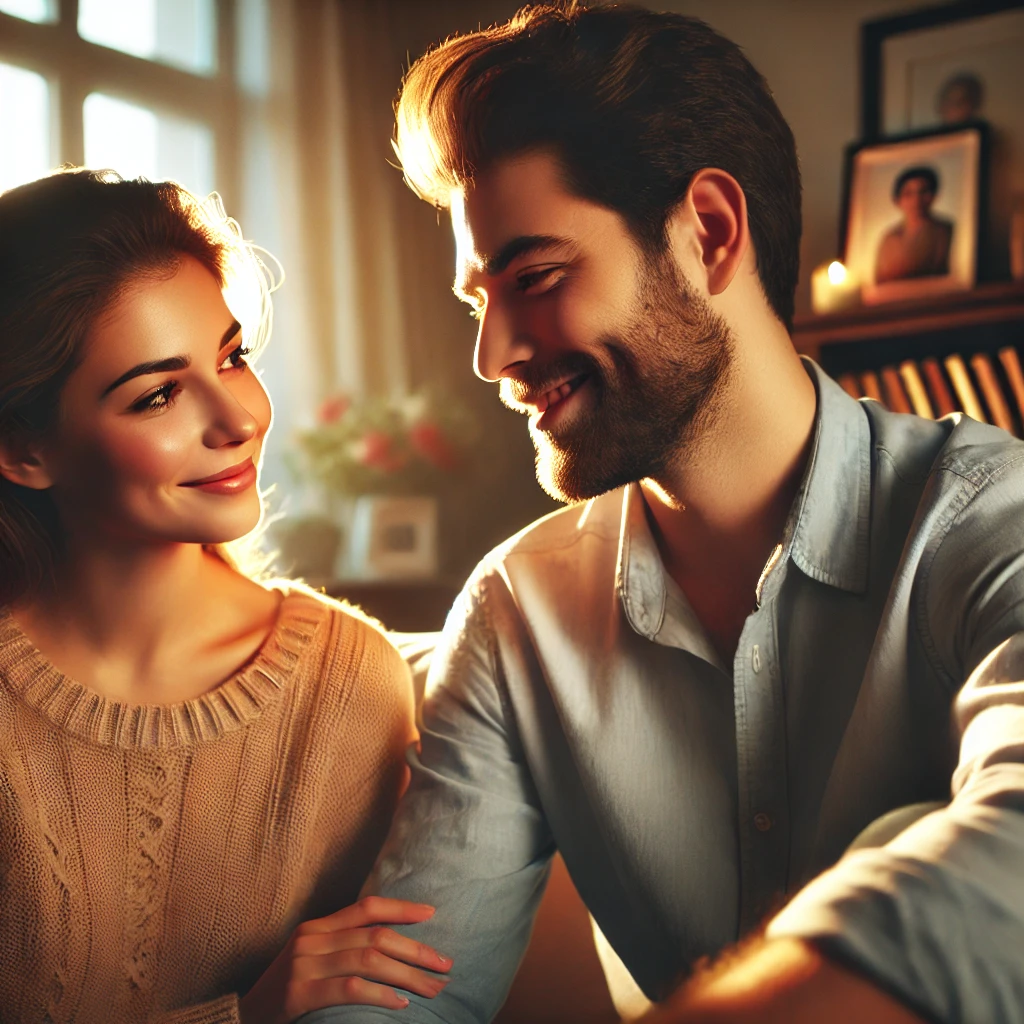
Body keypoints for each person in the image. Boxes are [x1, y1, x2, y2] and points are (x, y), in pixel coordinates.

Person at [306, 4, 1024, 1024]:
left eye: (537, 277)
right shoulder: (516, 611)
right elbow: (407, 989)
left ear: (709, 232)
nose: (492, 354)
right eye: (481, 300)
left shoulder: (995, 516)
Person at [0, 169, 454, 1023]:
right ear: (24, 451)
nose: (238, 417)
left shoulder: (347, 687)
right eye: (158, 394)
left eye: (232, 356)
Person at [874, 166, 954, 284]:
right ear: (898, 200)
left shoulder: (945, 231)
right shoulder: (890, 238)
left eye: (923, 192)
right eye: (908, 194)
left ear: (933, 196)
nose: (916, 200)